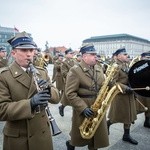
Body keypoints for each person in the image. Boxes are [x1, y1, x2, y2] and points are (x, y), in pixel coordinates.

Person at [0, 32, 60, 150]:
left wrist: (48, 90)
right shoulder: (4, 76)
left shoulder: (41, 72)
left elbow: (57, 98)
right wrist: (30, 103)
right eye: (24, 50)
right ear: (13, 53)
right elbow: (1, 110)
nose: (29, 54)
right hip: (19, 138)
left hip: (42, 133)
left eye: (31, 50)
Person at [65, 44, 109, 150]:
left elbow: (103, 84)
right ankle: (70, 144)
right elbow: (70, 93)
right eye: (93, 54)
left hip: (98, 106)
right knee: (79, 134)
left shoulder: (98, 68)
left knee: (96, 134)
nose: (96, 56)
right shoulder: (75, 70)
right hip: (84, 106)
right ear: (84, 56)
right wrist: (83, 108)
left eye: (96, 54)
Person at [107, 48, 138, 145]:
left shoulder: (125, 65)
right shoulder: (115, 66)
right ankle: (107, 124)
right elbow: (111, 82)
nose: (127, 56)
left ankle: (126, 135)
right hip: (120, 95)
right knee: (116, 116)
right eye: (124, 54)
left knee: (128, 116)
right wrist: (125, 88)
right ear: (118, 56)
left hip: (129, 94)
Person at [58, 48, 75, 116]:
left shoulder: (74, 61)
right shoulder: (64, 62)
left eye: (72, 53)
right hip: (69, 82)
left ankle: (75, 115)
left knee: (75, 99)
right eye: (70, 53)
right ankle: (62, 107)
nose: (72, 55)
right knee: (68, 98)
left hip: (75, 82)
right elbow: (64, 73)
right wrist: (74, 75)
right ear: (66, 54)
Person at [135, 52, 150, 128]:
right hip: (139, 90)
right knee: (137, 109)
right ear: (142, 57)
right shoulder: (137, 66)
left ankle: (147, 121)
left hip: (147, 89)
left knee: (149, 107)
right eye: (147, 58)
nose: (148, 59)